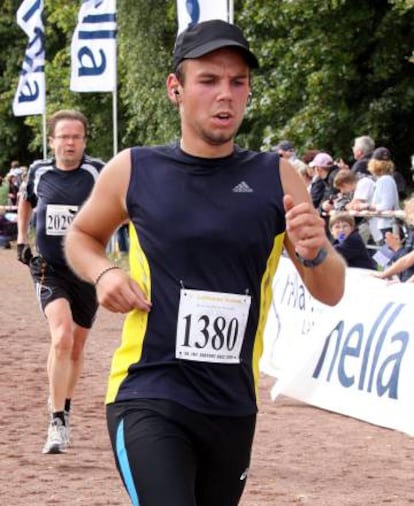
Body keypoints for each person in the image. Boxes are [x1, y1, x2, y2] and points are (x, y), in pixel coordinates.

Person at [64, 19, 345, 506]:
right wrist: (104, 271)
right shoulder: (136, 168)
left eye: (238, 83)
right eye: (209, 80)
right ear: (176, 88)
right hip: (148, 391)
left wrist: (316, 250)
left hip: (232, 405)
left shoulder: (276, 177)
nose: (226, 96)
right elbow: (82, 236)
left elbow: (331, 289)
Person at [16, 109, 104, 454]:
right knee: (62, 336)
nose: (69, 143)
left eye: (76, 137)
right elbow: (26, 202)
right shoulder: (38, 171)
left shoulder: (98, 172)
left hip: (86, 271)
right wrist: (23, 240)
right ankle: (56, 420)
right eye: (63, 137)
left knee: (77, 346)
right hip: (48, 267)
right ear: (51, 141)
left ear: (84, 140)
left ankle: (64, 407)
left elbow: (122, 205)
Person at [366, 147, 400, 244]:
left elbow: (386, 206)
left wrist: (368, 206)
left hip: (387, 225)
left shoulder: (384, 180)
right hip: (386, 225)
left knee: (385, 257)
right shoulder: (386, 179)